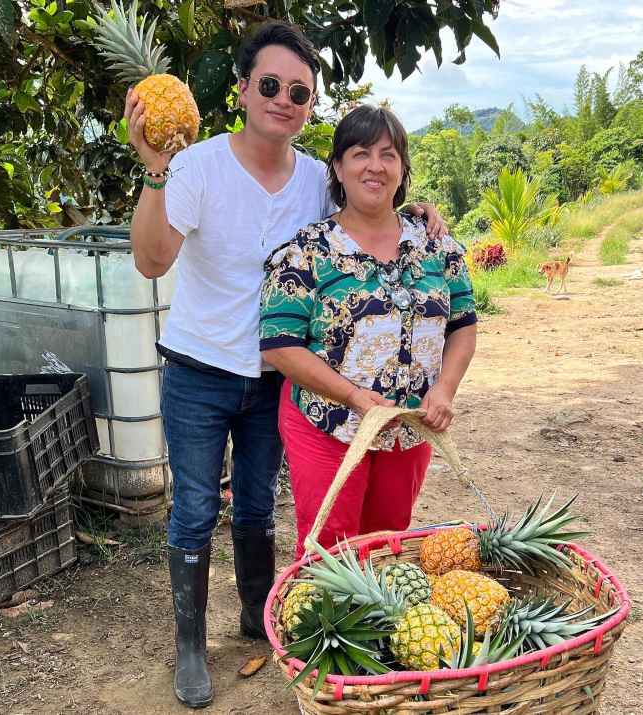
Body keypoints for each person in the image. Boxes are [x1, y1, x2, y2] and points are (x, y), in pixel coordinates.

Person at [125, 22, 445, 709]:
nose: (282, 99)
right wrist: (153, 166)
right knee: (192, 506)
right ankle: (189, 647)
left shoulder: (313, 179)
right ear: (241, 91)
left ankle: (252, 615)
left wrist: (418, 212)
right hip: (199, 367)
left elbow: (368, 208)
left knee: (257, 502)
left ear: (308, 105)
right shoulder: (196, 166)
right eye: (269, 85)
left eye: (298, 91)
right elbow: (152, 260)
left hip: (278, 375)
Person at [260, 104, 478, 561]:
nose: (375, 166)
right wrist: (355, 397)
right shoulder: (305, 252)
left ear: (402, 169)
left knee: (386, 545)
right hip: (328, 424)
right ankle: (320, 633)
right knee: (329, 550)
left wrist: (444, 389)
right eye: (360, 153)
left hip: (408, 426)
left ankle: (373, 634)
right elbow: (280, 346)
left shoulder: (436, 244)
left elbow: (462, 324)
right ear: (338, 167)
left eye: (388, 154)